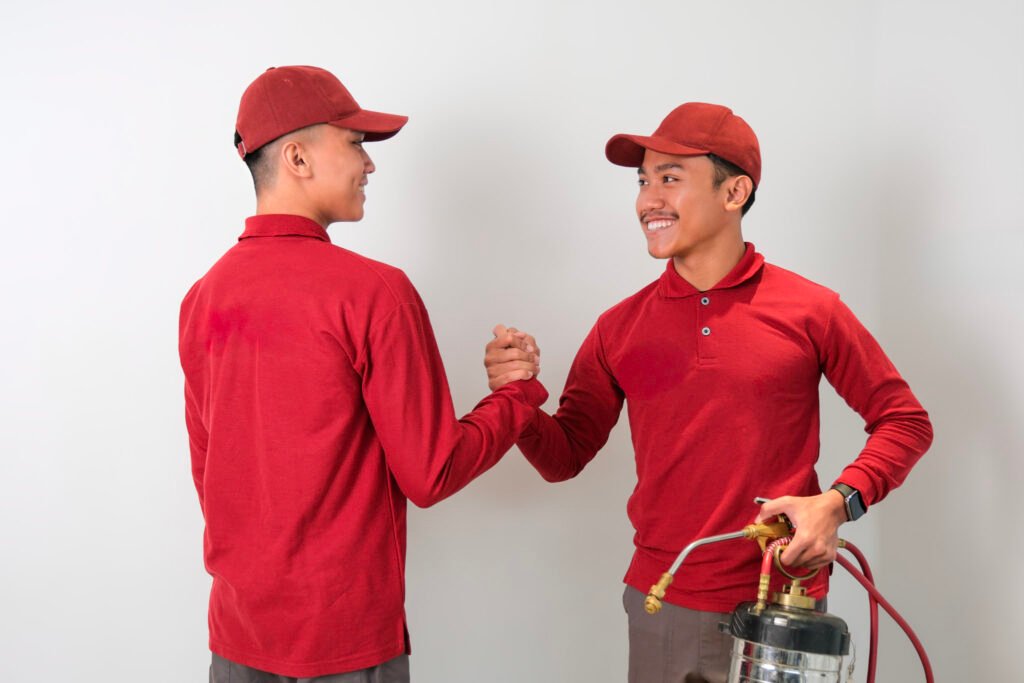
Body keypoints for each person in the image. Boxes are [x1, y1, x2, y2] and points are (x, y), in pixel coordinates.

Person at [484, 102, 933, 682]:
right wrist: (519, 396)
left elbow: (905, 420)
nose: (648, 200)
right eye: (642, 182)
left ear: (734, 192)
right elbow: (563, 456)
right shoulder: (618, 327)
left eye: (670, 177)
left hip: (785, 602)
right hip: (664, 599)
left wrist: (838, 502)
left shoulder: (811, 310)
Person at [179, 65, 545, 682]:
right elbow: (432, 472)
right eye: (354, 143)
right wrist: (516, 397)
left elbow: (210, 475)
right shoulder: (374, 292)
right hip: (344, 639)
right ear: (297, 157)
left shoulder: (202, 297)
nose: (369, 164)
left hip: (238, 636)